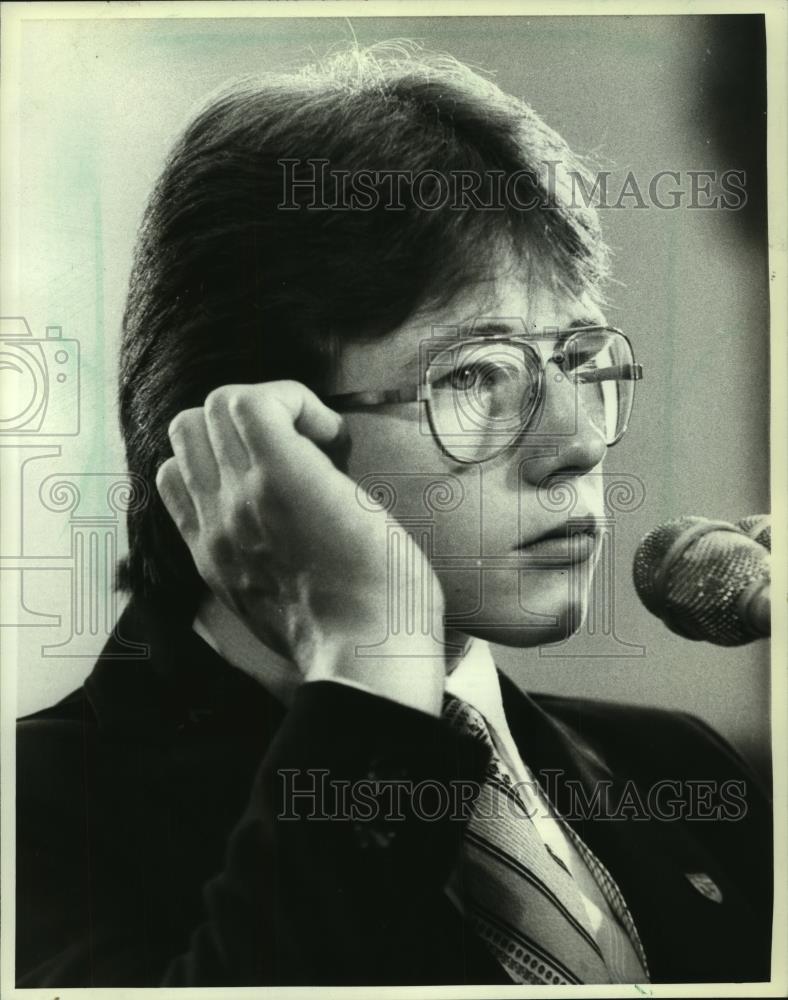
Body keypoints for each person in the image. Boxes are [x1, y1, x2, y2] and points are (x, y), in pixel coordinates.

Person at [16, 43, 772, 987]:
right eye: (474, 377)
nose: (578, 443)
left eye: (580, 362)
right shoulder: (37, 817)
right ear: (252, 432)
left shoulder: (681, 770)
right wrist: (374, 652)